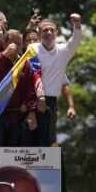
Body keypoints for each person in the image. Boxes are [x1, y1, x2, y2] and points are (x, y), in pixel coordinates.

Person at [0, 23, 37, 146]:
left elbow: (30, 88)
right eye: (12, 42)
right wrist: (4, 56)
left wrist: (31, 111)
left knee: (13, 152)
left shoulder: (25, 63)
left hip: (16, 116)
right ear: (4, 44)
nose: (15, 46)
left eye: (18, 43)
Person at [31, 15, 82, 146]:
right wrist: (39, 96)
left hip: (50, 104)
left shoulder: (63, 51)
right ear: (38, 33)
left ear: (56, 33)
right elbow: (34, 75)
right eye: (45, 30)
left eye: (51, 30)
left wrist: (77, 25)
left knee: (49, 141)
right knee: (30, 140)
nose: (49, 33)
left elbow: (75, 41)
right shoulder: (32, 49)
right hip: (32, 100)